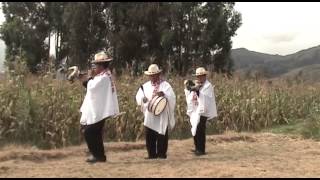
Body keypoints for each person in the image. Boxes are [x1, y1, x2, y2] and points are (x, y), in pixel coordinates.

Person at [79, 51, 119, 163]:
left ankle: (97, 155)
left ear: (101, 66)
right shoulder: (105, 75)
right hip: (100, 110)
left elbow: (91, 87)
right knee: (95, 133)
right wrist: (87, 78)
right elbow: (90, 85)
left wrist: (87, 78)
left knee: (89, 132)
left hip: (99, 111)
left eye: (96, 65)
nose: (94, 67)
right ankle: (100, 156)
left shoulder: (103, 77)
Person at [135, 64, 176, 159]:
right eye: (151, 75)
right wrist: (143, 100)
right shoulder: (145, 86)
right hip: (150, 114)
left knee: (161, 134)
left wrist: (164, 94)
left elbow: (172, 97)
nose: (152, 77)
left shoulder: (165, 85)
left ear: (158, 74)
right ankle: (151, 154)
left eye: (154, 75)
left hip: (162, 114)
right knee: (149, 134)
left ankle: (162, 154)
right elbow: (139, 97)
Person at [184, 67, 217, 156]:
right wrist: (189, 87)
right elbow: (190, 94)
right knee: (194, 128)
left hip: (203, 110)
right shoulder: (197, 84)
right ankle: (197, 147)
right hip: (195, 110)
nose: (200, 78)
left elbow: (206, 98)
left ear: (205, 76)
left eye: (201, 76)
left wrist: (198, 91)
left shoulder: (207, 85)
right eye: (198, 76)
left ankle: (201, 149)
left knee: (200, 129)